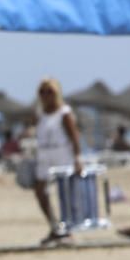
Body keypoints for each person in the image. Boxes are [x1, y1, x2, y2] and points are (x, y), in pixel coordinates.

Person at [33, 78, 83, 246]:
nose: (46, 96)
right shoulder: (40, 114)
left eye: (49, 92)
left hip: (61, 153)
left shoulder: (64, 112)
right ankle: (55, 226)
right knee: (40, 190)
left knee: (65, 193)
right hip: (44, 153)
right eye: (42, 92)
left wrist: (77, 158)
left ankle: (67, 229)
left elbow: (75, 136)